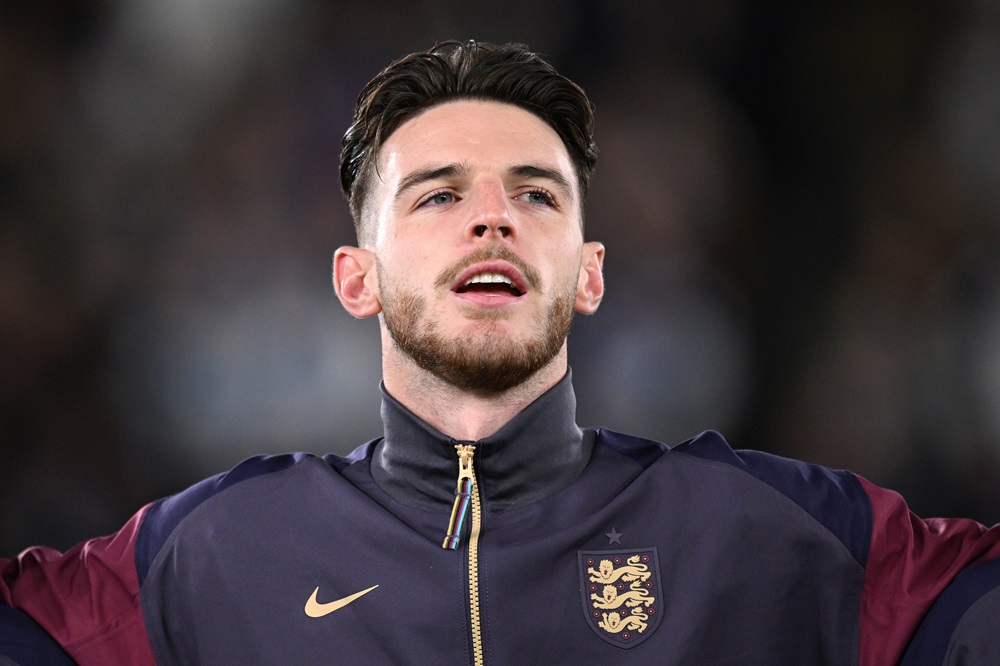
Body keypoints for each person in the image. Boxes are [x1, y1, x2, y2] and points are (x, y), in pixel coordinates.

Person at [2, 39, 999, 665]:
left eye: (535, 194)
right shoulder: (209, 556)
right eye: (438, 196)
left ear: (591, 273)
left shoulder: (764, 531)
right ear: (356, 279)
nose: (492, 222)